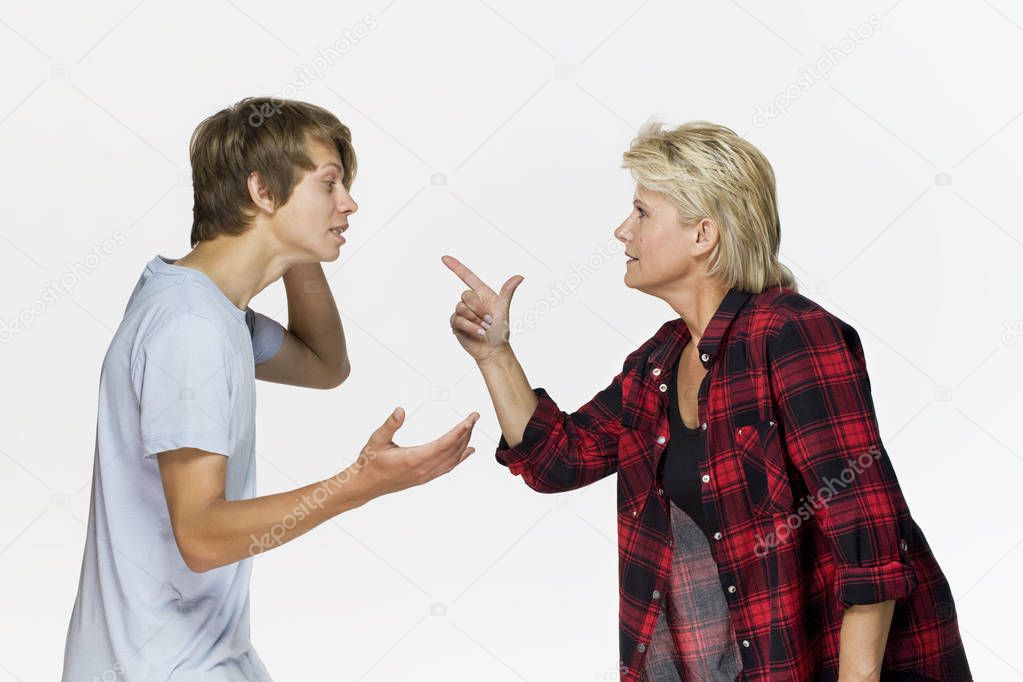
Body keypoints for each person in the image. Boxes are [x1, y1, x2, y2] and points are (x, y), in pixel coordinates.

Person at [442, 121, 971, 681]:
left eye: (642, 212)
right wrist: (494, 354)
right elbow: (558, 461)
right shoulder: (659, 363)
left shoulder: (790, 334)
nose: (622, 231)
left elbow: (868, 537)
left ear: (704, 235)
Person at [62, 97, 479, 681]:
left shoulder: (209, 306)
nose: (349, 202)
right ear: (263, 191)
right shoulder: (191, 327)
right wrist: (359, 485)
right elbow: (202, 536)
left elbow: (324, 364)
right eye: (329, 184)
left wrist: (297, 245)